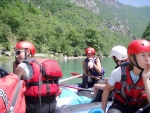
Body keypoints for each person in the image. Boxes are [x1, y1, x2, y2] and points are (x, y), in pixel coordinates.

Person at [102, 39, 150, 113]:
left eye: (149, 55)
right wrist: (103, 109)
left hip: (141, 106)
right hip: (121, 105)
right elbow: (107, 89)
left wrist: (146, 79)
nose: (148, 59)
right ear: (132, 58)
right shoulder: (119, 72)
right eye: (143, 55)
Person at [13, 41, 61, 113]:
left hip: (33, 107)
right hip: (52, 105)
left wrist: (15, 66)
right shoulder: (40, 64)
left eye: (18, 52)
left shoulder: (22, 66)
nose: (16, 56)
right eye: (15, 53)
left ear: (28, 51)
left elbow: (12, 88)